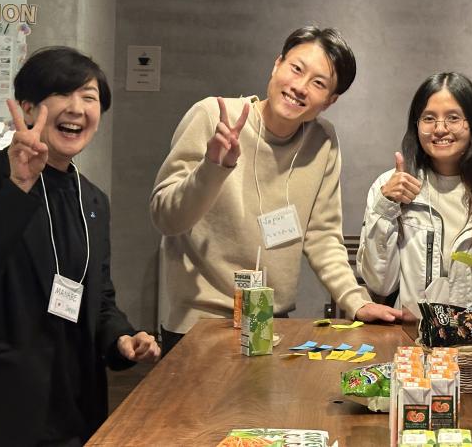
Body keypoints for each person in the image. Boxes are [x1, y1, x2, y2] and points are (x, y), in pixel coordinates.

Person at [0, 47, 159, 447]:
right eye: (62, 93)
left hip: (71, 403)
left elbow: (99, 297)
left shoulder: (92, 199)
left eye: (89, 97)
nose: (77, 108)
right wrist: (18, 187)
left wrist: (122, 338)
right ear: (27, 108)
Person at [150, 26, 400, 351]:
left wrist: (356, 300)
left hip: (269, 322)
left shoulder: (322, 141)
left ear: (330, 100)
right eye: (296, 68)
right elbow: (166, 218)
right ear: (277, 64)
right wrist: (212, 167)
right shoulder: (214, 116)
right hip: (200, 324)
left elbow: (323, 236)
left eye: (319, 83)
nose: (300, 87)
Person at [358, 72, 472, 321]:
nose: (440, 129)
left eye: (453, 118)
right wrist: (386, 206)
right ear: (416, 125)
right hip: (410, 336)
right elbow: (380, 284)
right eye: (429, 118)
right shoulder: (390, 187)